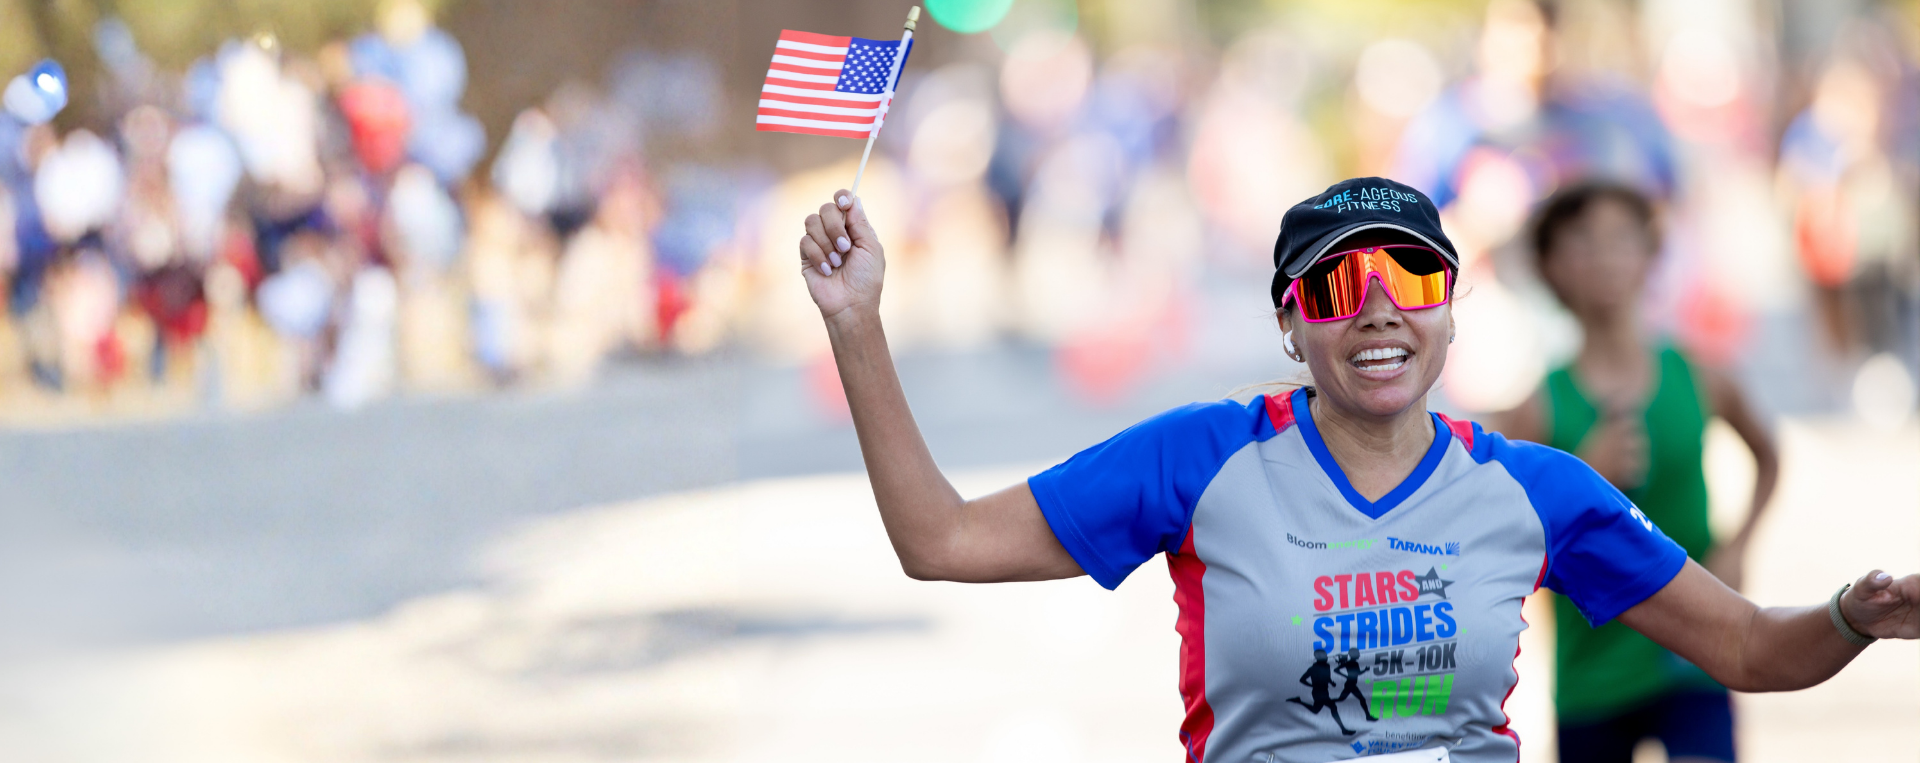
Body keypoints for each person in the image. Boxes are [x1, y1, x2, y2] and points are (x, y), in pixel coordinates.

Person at [794, 177, 1918, 762]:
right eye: (1338, 286)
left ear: (1449, 310)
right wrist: (856, 324)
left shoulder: (1536, 489)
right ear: (1292, 325)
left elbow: (1747, 645)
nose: (1379, 308)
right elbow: (940, 539)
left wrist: (1853, 613)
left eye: (1412, 279)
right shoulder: (1203, 458)